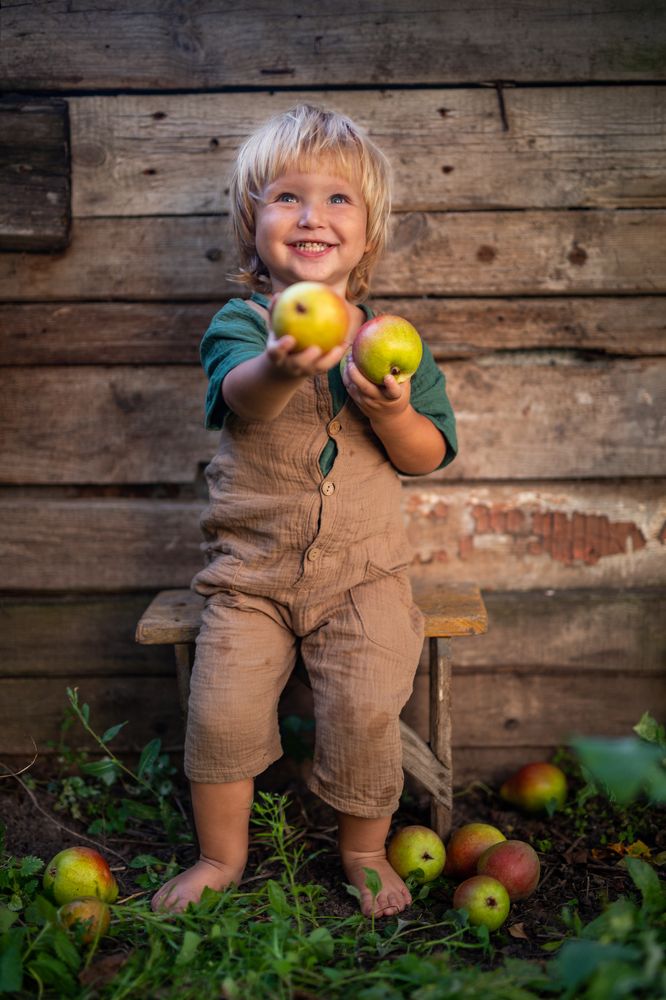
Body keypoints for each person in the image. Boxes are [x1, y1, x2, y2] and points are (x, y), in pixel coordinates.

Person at [152, 104, 457, 918]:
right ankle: (220, 855)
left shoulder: (393, 341)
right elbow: (241, 399)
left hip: (364, 575)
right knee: (221, 711)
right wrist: (282, 366)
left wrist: (394, 411)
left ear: (368, 233)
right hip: (250, 576)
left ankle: (363, 850)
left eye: (337, 199)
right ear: (252, 224)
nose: (312, 215)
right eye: (287, 196)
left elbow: (427, 453)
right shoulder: (243, 326)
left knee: (366, 706)